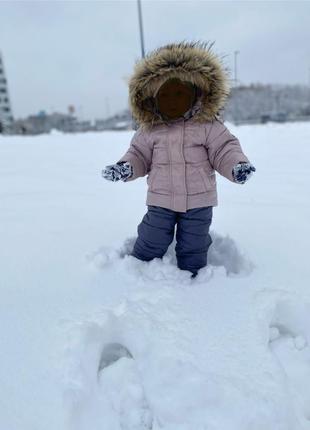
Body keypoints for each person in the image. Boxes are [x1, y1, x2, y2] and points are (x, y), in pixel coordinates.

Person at [102, 40, 256, 279]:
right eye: (165, 95)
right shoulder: (150, 130)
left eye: (180, 93)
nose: (173, 100)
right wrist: (125, 168)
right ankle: (138, 272)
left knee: (194, 243)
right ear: (151, 98)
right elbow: (139, 155)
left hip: (198, 201)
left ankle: (193, 278)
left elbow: (224, 148)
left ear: (197, 92)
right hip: (161, 199)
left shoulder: (207, 125)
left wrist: (236, 165)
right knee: (152, 236)